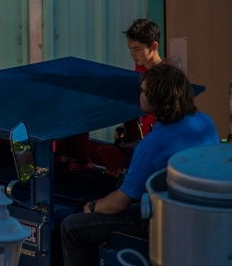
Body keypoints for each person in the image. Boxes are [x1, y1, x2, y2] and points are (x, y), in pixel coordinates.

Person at [60, 63, 219, 266]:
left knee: (72, 227)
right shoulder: (205, 122)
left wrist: (91, 206)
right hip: (200, 216)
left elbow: (118, 203)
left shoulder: (151, 145)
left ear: (156, 97)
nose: (139, 95)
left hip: (163, 224)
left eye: (141, 91)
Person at [124, 19, 162, 136]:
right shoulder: (139, 67)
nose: (132, 54)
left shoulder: (166, 75)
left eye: (136, 49)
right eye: (130, 49)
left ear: (154, 46)